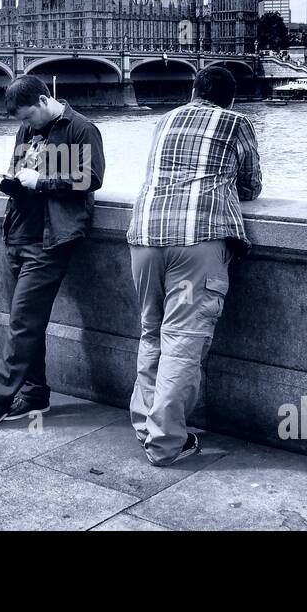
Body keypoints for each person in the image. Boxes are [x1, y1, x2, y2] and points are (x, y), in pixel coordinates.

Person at [126, 66, 262, 466]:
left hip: (145, 237)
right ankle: (167, 443)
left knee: (151, 334)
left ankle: (145, 426)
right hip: (196, 242)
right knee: (182, 341)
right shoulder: (236, 122)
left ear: (192, 90)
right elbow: (252, 185)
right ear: (230, 98)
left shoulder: (164, 119)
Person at [0, 75, 105, 435]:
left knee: (22, 321)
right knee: (25, 321)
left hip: (51, 238)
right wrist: (12, 180)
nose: (25, 126)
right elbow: (19, 171)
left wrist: (40, 182)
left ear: (44, 101)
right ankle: (35, 392)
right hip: (18, 232)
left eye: (28, 117)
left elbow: (90, 179)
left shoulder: (81, 129)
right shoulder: (27, 132)